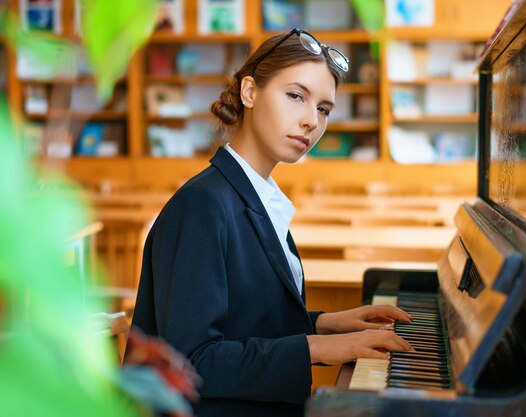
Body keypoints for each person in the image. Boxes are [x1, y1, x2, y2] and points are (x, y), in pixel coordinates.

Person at [128, 28, 413, 417]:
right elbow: (191, 361)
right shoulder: (203, 204)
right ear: (249, 92)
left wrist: (327, 324)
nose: (311, 120)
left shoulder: (258, 195)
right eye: (296, 96)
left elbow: (246, 326)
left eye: (324, 109)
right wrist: (317, 348)